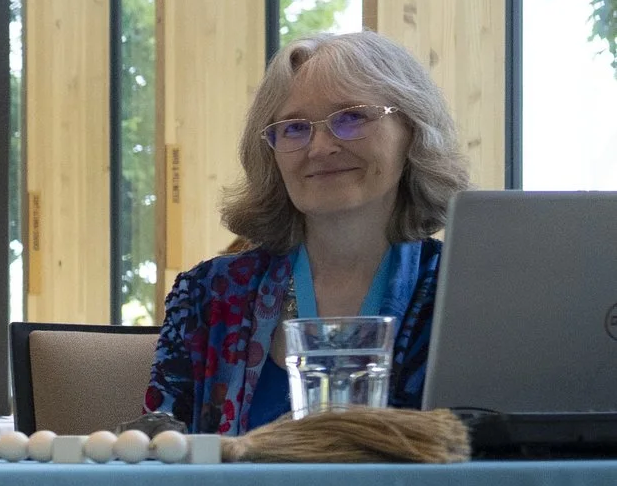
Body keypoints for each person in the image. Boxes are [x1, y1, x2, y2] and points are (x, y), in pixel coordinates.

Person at [146, 29, 470, 433]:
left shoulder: (465, 293)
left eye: (351, 117)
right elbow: (161, 458)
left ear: (413, 132)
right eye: (295, 128)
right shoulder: (206, 296)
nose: (319, 148)